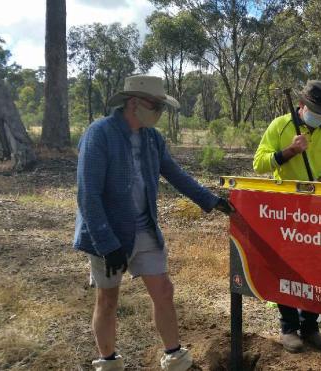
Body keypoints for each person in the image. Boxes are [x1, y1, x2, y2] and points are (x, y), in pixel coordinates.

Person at [74, 75, 233, 371]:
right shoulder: (99, 134)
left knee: (163, 290)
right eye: (155, 105)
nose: (160, 112)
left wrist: (211, 200)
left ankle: (175, 357)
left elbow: (175, 174)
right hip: (106, 232)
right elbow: (88, 195)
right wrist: (107, 244)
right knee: (108, 298)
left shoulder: (152, 138)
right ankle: (108, 362)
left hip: (144, 228)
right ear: (134, 103)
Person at [253, 80, 321, 353]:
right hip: (284, 211)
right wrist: (289, 151)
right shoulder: (280, 126)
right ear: (302, 106)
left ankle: (311, 325)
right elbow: (259, 163)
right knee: (286, 268)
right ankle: (289, 327)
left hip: (317, 213)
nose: (320, 116)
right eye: (315, 110)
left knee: (314, 268)